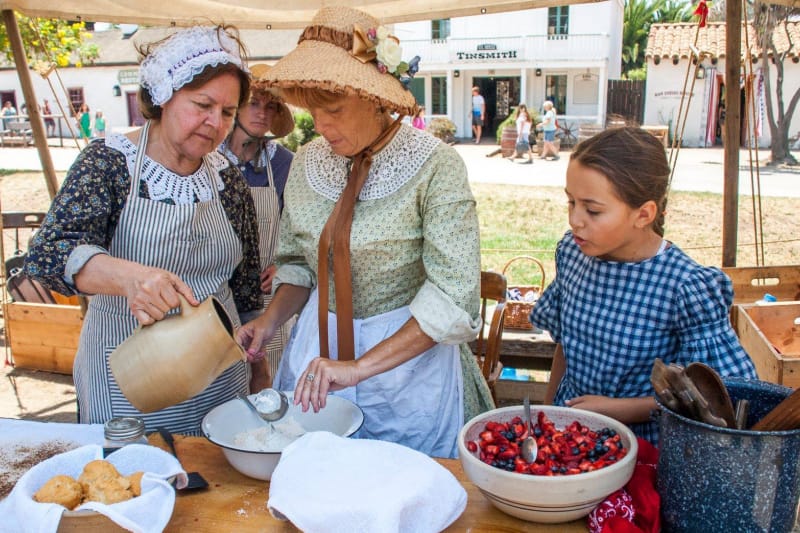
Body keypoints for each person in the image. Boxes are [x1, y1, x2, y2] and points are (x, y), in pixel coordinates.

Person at [237, 6, 493, 458]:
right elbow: (298, 263)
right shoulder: (309, 163)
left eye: (333, 109)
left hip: (407, 366)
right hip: (319, 351)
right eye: (312, 110)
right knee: (318, 478)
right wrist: (268, 321)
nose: (320, 125)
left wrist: (358, 368)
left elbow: (454, 296)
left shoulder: (435, 167)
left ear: (375, 98)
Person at [24, 25, 262, 436]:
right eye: (202, 104)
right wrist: (130, 277)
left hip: (219, 383)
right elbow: (48, 255)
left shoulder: (228, 180)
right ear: (163, 96)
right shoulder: (109, 165)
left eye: (227, 112)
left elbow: (245, 290)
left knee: (216, 491)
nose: (215, 123)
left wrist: (260, 375)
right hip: (127, 381)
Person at [528, 127, 757, 446]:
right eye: (571, 202)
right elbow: (566, 347)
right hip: (569, 437)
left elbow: (718, 397)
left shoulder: (685, 286)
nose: (576, 220)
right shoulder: (572, 254)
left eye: (592, 210)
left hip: (643, 453)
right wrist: (547, 416)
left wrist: (620, 410)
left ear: (644, 214)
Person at [218, 63, 296, 392]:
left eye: (271, 106)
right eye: (254, 103)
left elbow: (301, 228)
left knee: (270, 387)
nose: (262, 114)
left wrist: (286, 262)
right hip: (219, 291)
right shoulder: (210, 160)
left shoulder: (282, 163)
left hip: (268, 293)